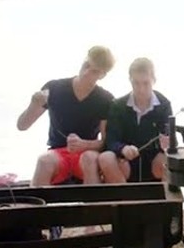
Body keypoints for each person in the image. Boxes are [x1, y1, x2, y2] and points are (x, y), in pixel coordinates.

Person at [16, 46, 116, 186]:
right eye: (86, 65)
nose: (86, 72)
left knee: (89, 159)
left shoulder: (105, 99)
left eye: (94, 71)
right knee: (44, 161)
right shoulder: (54, 88)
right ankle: (38, 206)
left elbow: (108, 142)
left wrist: (84, 144)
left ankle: (93, 206)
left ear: (102, 75)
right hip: (57, 153)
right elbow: (22, 126)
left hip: (86, 153)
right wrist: (33, 105)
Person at [98, 57, 174, 183]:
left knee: (166, 161)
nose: (141, 89)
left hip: (153, 160)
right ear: (130, 81)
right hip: (125, 159)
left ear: (154, 80)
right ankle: (125, 200)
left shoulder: (164, 105)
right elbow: (111, 140)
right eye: (136, 83)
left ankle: (165, 201)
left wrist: (167, 145)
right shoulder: (118, 105)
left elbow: (168, 138)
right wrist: (122, 149)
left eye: (146, 83)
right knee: (106, 158)